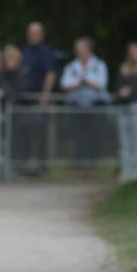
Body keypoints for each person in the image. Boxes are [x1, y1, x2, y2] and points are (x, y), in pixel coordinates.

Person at [60, 36, 109, 166]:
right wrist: (78, 84)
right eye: (78, 49)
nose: (79, 52)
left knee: (93, 133)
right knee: (77, 133)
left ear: (89, 50)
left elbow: (101, 85)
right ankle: (78, 160)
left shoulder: (99, 65)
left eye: (82, 49)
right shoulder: (71, 66)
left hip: (94, 105)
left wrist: (86, 81)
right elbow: (65, 85)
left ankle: (92, 160)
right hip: (76, 106)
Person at [20, 21, 56, 174]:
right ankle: (25, 164)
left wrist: (44, 95)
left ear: (42, 35)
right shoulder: (26, 51)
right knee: (26, 132)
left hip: (38, 99)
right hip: (25, 100)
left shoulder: (46, 52)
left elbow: (50, 73)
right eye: (30, 33)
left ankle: (41, 165)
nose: (32, 36)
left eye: (35, 33)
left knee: (40, 132)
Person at [114, 41, 137, 182]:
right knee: (124, 141)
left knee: (136, 140)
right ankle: (125, 170)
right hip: (123, 107)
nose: (133, 55)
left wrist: (132, 92)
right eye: (131, 52)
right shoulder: (123, 69)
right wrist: (121, 92)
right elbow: (117, 85)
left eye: (136, 52)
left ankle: (136, 171)